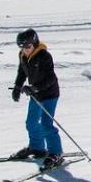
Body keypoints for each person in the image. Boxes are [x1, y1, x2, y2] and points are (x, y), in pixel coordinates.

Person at [10, 29, 64, 169]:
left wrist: (35, 88)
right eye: (22, 47)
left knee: (46, 124)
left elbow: (51, 78)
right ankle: (37, 148)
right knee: (31, 122)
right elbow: (22, 72)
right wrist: (17, 87)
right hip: (36, 95)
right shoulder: (23, 55)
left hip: (50, 94)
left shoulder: (44, 56)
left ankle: (56, 152)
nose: (25, 50)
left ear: (34, 43)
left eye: (28, 47)